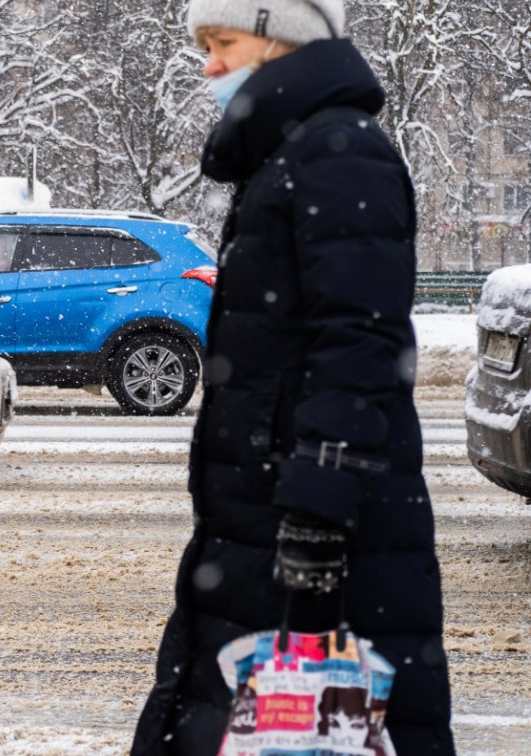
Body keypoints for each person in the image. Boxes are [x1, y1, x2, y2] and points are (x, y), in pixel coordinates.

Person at [130, 2, 455, 754]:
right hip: (267, 508)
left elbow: (359, 341)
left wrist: (318, 502)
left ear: (283, 36)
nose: (209, 64)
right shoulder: (291, 152)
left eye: (224, 41)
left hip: (310, 518)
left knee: (299, 724)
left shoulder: (338, 152)